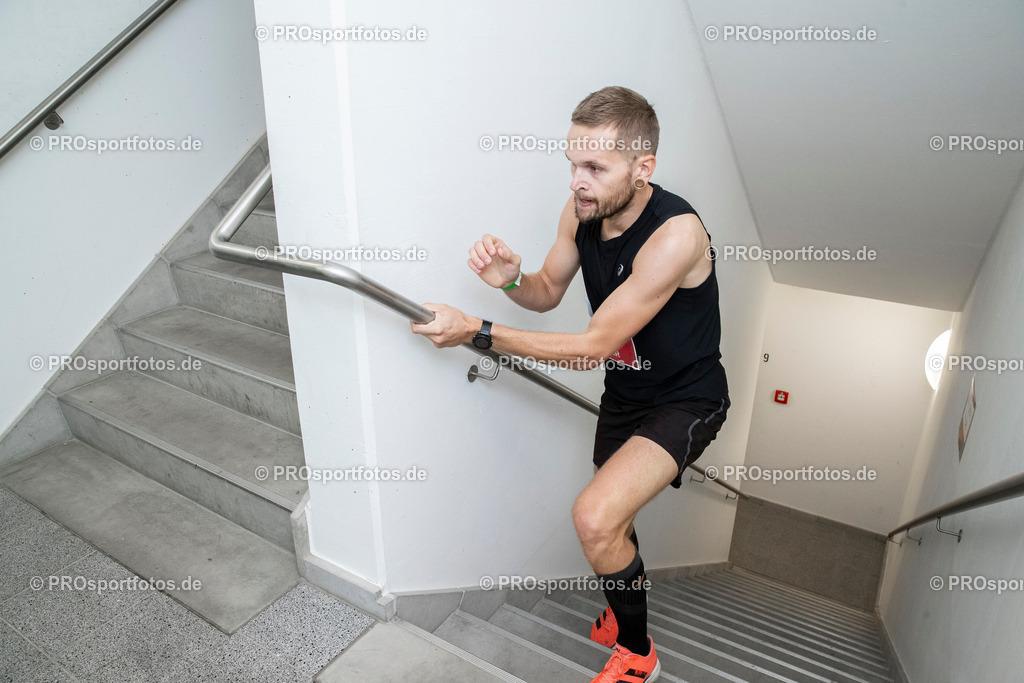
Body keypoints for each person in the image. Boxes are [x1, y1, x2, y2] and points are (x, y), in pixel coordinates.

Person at [410, 86, 729, 683]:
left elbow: (592, 344)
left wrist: (475, 329)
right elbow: (547, 292)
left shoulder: (676, 236)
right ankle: (623, 606)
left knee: (595, 518)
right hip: (626, 393)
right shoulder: (582, 212)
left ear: (643, 168)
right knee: (616, 518)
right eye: (572, 164)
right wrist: (510, 281)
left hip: (688, 398)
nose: (577, 181)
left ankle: (639, 654)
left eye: (594, 168)